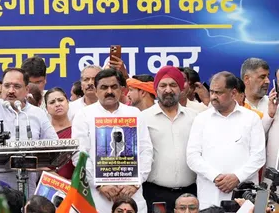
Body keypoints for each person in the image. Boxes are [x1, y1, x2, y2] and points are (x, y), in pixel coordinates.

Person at [0, 55, 57, 195]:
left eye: (16, 86)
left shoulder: (37, 113)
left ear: (27, 90)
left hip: (28, 186)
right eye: (7, 85)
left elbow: (54, 145)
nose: (11, 90)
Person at [71, 68, 153, 213]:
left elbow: (146, 151)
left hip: (131, 192)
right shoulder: (83, 115)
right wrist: (98, 184)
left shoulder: (134, 114)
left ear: (122, 90)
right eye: (104, 87)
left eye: (114, 87)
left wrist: (136, 182)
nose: (109, 91)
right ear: (96, 90)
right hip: (98, 193)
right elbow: (80, 155)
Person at [187, 71, 266, 209]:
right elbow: (192, 157)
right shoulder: (201, 119)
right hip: (210, 192)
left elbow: (259, 157)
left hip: (243, 192)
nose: (213, 97)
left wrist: (237, 177)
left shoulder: (251, 118)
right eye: (211, 92)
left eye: (219, 92)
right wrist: (216, 177)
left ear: (233, 93)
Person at [140, 66, 198, 213]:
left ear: (181, 88)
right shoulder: (143, 118)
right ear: (156, 89)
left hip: (190, 194)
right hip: (155, 193)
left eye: (173, 85)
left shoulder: (195, 117)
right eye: (163, 85)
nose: (168, 90)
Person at [44, 87, 73, 179]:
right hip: (49, 184)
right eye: (52, 102)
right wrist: (60, 181)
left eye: (60, 100)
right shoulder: (44, 132)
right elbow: (39, 164)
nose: (57, 104)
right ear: (46, 108)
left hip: (76, 184)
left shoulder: (78, 129)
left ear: (67, 102)